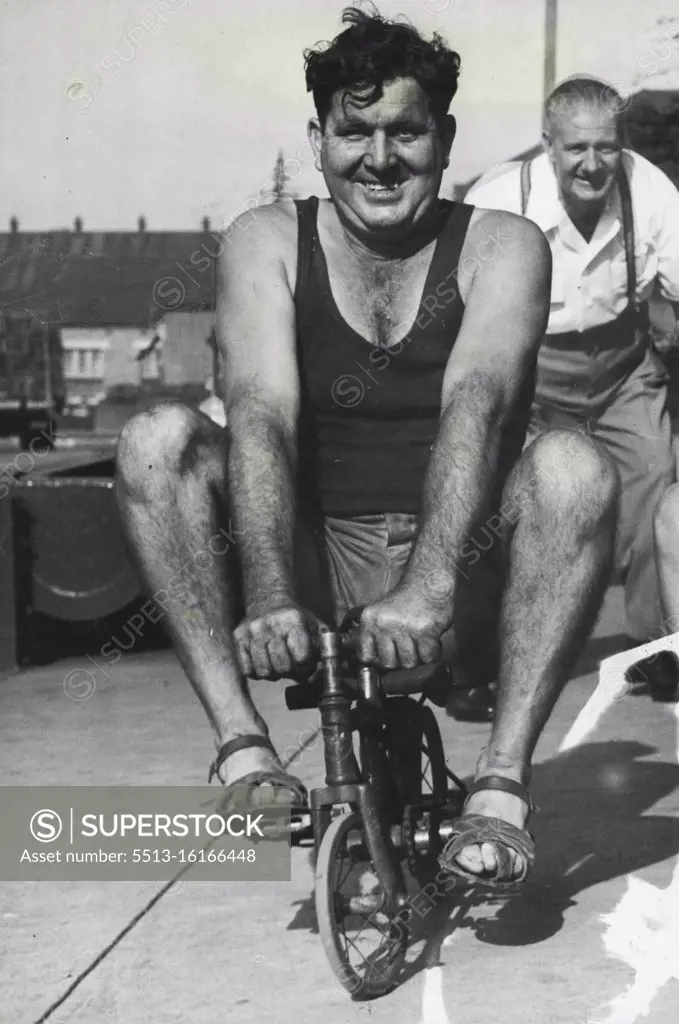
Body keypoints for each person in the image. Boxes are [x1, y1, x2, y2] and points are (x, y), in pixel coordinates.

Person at [115, 8, 618, 885]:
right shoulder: (265, 240)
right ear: (317, 139)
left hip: (464, 566)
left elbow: (479, 401)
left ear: (445, 137)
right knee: (156, 440)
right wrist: (270, 596)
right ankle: (246, 755)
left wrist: (428, 588)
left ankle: (499, 788)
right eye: (354, 133)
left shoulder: (504, 245)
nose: (380, 160)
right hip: (317, 555)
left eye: (406, 133)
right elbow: (261, 414)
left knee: (574, 467)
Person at [466, 77, 679, 707]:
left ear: (624, 145)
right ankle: (488, 657)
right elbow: (460, 309)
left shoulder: (651, 191)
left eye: (607, 148)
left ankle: (652, 646)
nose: (593, 165)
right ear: (547, 146)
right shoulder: (502, 200)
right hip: (529, 369)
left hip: (621, 367)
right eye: (576, 149)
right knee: (504, 503)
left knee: (653, 475)